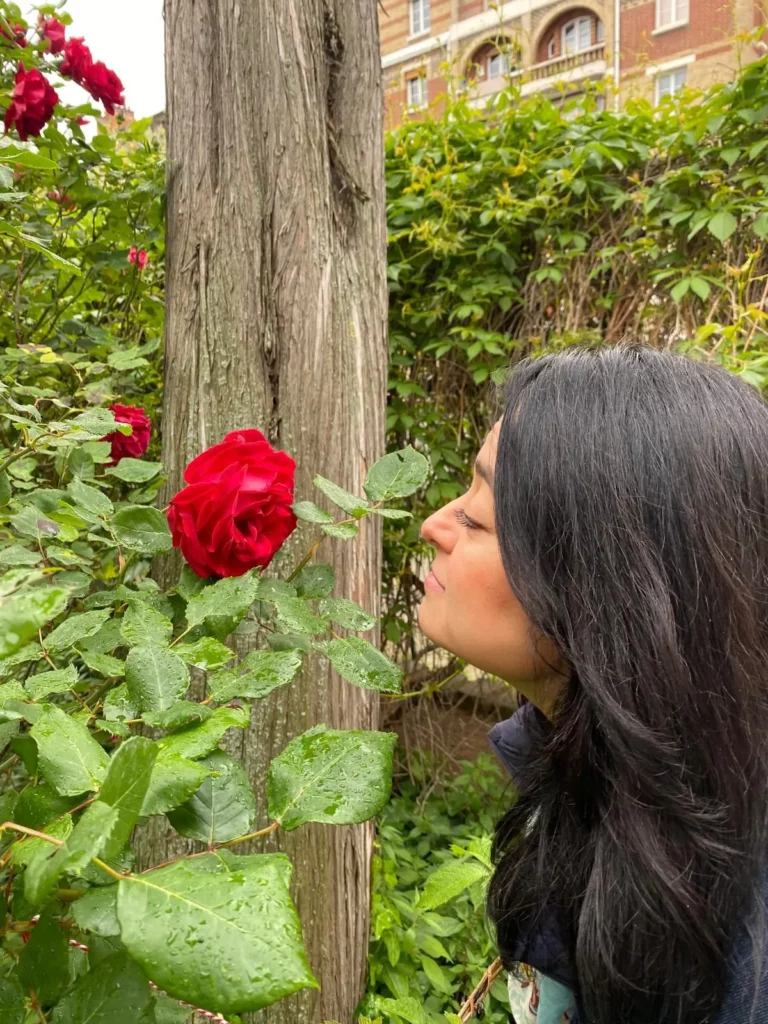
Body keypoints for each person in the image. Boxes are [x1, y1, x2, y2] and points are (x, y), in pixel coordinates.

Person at [418, 347, 768, 1024]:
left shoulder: (743, 943)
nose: (436, 524)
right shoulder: (587, 767)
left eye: (479, 518)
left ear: (607, 589)